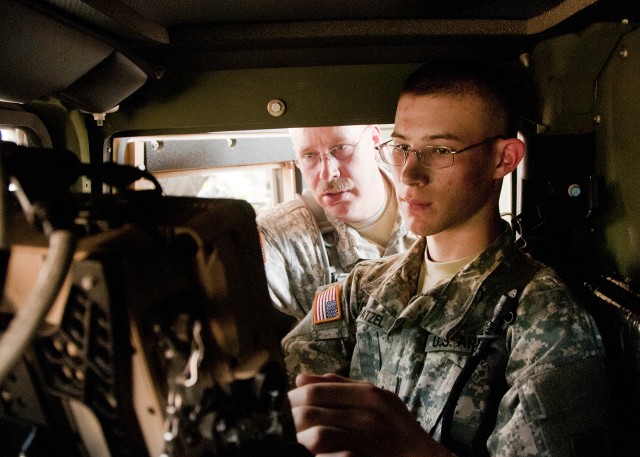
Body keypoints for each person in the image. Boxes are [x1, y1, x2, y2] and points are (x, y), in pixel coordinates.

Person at [282, 59, 609, 457]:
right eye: (402, 147)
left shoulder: (545, 320)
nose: (408, 174)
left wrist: (411, 450)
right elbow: (280, 393)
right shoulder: (362, 290)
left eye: (440, 150)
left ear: (503, 159)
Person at [257, 125, 416, 324]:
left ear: (375, 141)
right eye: (309, 155)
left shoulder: (431, 210)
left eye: (341, 148)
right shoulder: (277, 237)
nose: (328, 173)